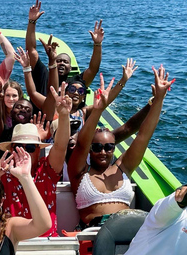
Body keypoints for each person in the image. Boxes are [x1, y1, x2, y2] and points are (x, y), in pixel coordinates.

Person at [67, 65, 173, 228]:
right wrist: (97, 111)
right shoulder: (79, 172)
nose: (103, 152)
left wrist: (158, 99)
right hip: (94, 236)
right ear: (90, 148)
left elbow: (144, 136)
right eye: (97, 147)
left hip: (129, 233)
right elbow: (81, 144)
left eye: (109, 147)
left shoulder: (123, 168)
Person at [0, 83, 71, 237]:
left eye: (29, 148)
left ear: (38, 150)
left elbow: (61, 146)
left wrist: (63, 115)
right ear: (10, 149)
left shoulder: (47, 170)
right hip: (7, 242)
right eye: (18, 147)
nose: (23, 152)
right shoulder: (1, 172)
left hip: (45, 242)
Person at [26, 0, 103, 96]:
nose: (62, 63)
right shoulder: (43, 74)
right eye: (58, 61)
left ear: (70, 68)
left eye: (65, 62)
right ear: (52, 62)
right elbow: (31, 52)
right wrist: (32, 22)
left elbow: (93, 69)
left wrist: (97, 44)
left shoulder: (76, 82)